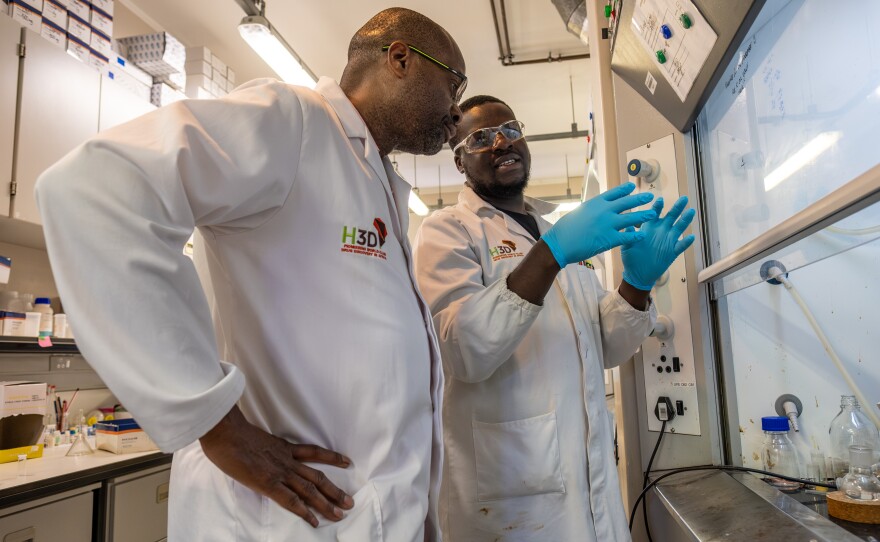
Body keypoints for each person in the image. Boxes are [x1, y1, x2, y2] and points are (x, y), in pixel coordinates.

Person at [35, 8, 466, 541]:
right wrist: (214, 424)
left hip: (363, 516)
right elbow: (94, 188)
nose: (458, 110)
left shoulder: (372, 177)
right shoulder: (294, 120)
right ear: (400, 57)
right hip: (284, 521)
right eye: (455, 83)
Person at [412, 95, 696, 541]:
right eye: (480, 138)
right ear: (460, 161)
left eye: (510, 129)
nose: (500, 143)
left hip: (591, 486)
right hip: (509, 499)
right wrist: (550, 255)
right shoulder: (448, 230)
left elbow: (605, 348)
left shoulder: (554, 230)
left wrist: (637, 284)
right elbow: (465, 351)